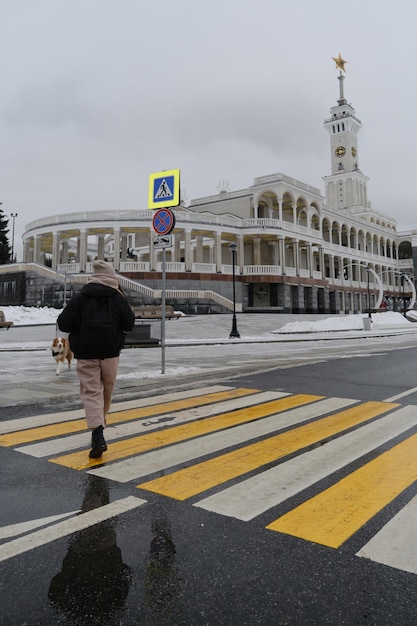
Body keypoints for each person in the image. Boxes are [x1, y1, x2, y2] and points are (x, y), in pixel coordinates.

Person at [57, 260, 135, 458]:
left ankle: (97, 430)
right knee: (106, 392)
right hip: (110, 353)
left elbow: (63, 322)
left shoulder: (82, 296)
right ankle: (99, 427)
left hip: (86, 354)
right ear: (111, 276)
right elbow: (129, 324)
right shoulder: (117, 297)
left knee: (91, 393)